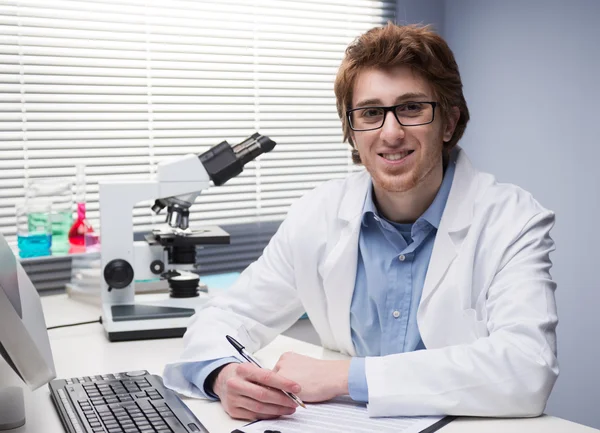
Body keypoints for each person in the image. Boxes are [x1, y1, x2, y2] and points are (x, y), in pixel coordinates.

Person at [163, 23, 558, 421]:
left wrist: (346, 377)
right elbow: (223, 319)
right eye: (370, 113)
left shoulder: (511, 220)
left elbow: (527, 368)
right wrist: (223, 375)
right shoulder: (316, 215)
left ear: (449, 123)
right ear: (352, 131)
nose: (391, 132)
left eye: (411, 108)